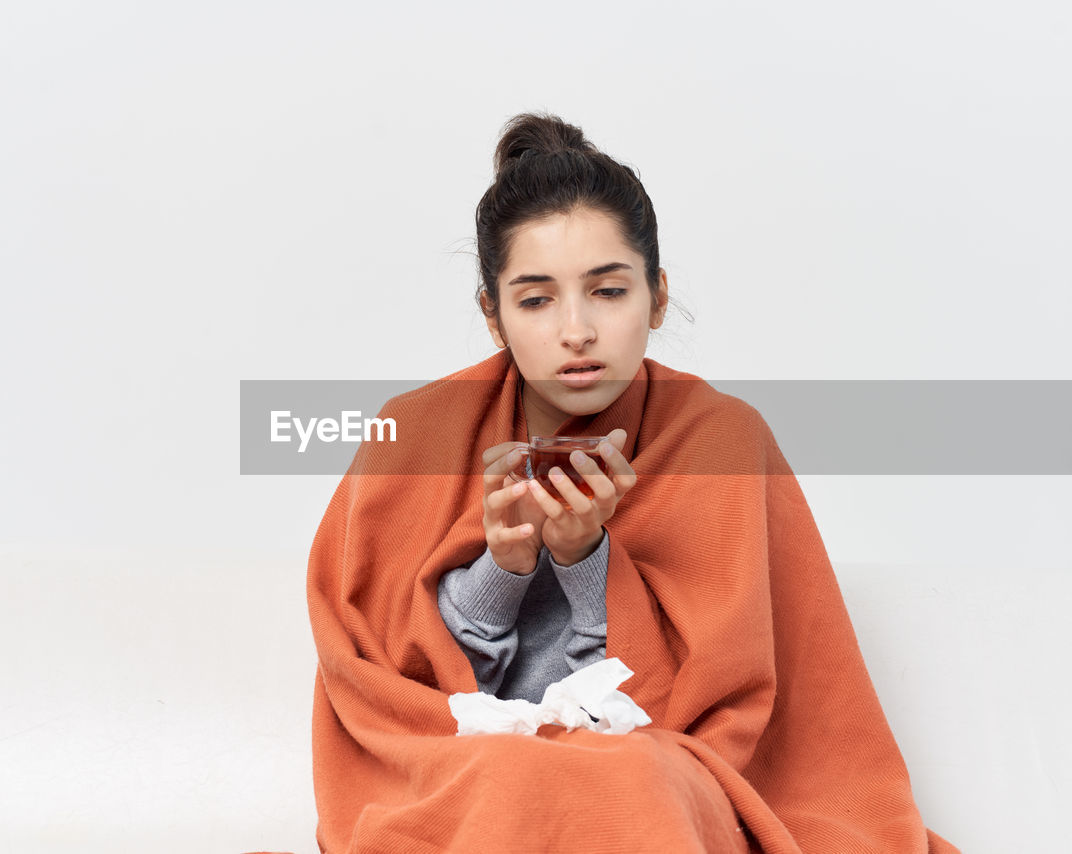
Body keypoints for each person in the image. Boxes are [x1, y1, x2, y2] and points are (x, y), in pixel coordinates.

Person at [306, 112, 957, 853]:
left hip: (657, 776)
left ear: (657, 294)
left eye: (608, 292)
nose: (576, 330)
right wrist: (505, 565)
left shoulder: (722, 440)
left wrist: (588, 561)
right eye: (536, 299)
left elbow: (694, 715)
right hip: (472, 778)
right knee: (507, 775)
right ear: (494, 317)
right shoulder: (415, 437)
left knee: (627, 777)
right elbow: (402, 697)